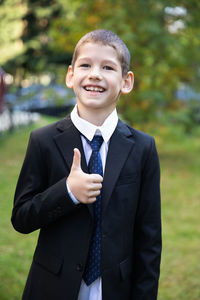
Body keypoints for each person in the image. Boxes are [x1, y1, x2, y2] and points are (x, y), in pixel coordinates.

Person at [11, 29, 162, 300]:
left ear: (126, 81)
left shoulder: (143, 148)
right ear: (71, 76)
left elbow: (149, 239)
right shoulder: (43, 141)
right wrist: (67, 192)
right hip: (53, 287)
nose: (95, 74)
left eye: (107, 67)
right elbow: (22, 217)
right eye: (85, 65)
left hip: (116, 289)